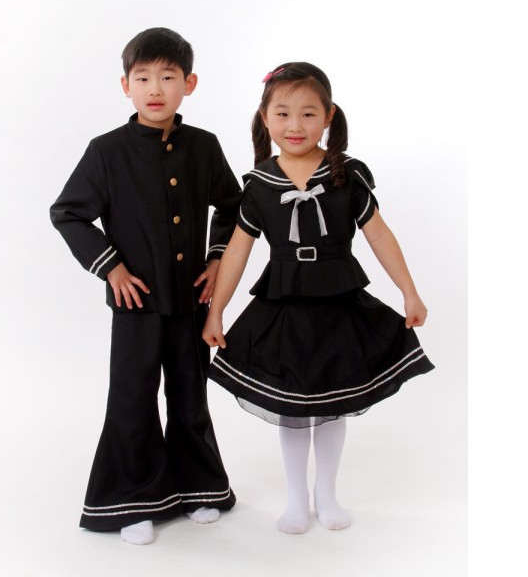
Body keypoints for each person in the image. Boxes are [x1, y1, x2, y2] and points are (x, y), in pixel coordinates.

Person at [202, 62, 435, 535]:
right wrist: (217, 311)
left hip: (337, 300)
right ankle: (295, 499)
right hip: (284, 303)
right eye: (283, 113)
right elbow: (237, 253)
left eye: (308, 114)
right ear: (265, 118)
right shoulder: (259, 185)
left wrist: (409, 292)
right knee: (292, 407)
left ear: (328, 116)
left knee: (331, 404)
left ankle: (326, 495)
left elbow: (379, 236)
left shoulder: (347, 175)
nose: (295, 125)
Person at [50, 27, 240, 545]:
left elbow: (233, 206)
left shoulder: (204, 146)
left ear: (189, 84)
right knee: (132, 399)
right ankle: (132, 499)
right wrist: (110, 267)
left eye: (168, 77)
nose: (155, 88)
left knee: (189, 395)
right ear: (125, 86)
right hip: (135, 303)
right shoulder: (106, 151)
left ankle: (198, 487)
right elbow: (68, 213)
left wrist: (217, 257)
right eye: (143, 78)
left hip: (191, 300)